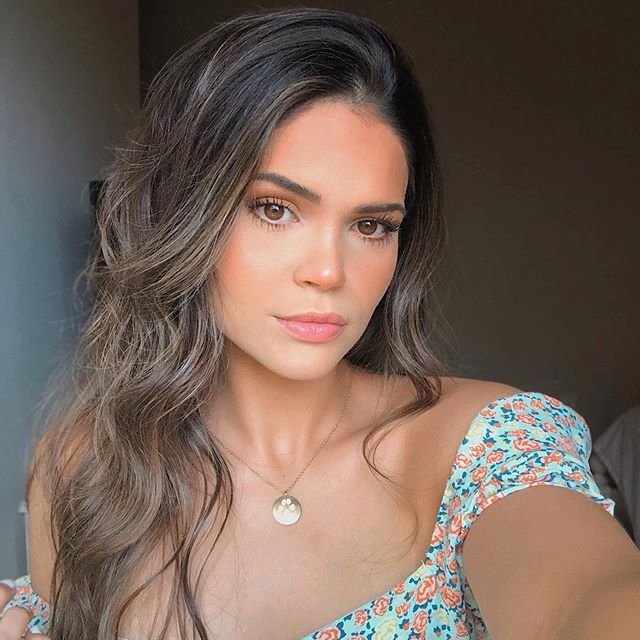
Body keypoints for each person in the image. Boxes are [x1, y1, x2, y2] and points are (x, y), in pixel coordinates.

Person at [1, 6, 639, 640]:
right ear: (182, 213)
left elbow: (589, 597)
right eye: (274, 209)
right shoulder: (83, 464)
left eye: (371, 225)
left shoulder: (487, 445)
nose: (329, 272)